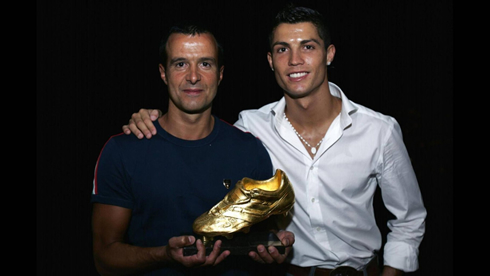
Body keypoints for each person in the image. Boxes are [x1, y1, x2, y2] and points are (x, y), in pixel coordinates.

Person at [123, 5, 427, 276]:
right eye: (282, 49)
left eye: (307, 46)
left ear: (329, 53)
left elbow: (409, 219)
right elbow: (197, 130)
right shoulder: (251, 128)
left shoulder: (378, 130)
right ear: (270, 60)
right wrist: (151, 119)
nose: (295, 60)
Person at [92, 23, 295, 276]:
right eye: (180, 64)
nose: (193, 76)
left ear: (220, 74)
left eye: (205, 64)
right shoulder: (122, 151)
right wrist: (164, 255)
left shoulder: (249, 149)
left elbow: (264, 233)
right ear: (163, 73)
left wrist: (275, 245)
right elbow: (104, 258)